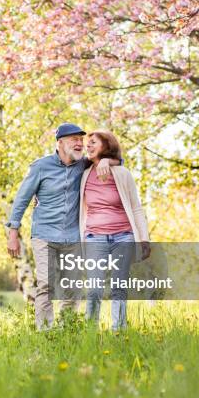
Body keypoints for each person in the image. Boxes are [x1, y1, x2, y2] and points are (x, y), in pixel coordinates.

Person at [6, 123, 122, 331]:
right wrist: (13, 233)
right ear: (60, 143)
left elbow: (118, 161)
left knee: (73, 290)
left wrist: (105, 160)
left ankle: (66, 331)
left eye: (81, 140)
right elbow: (21, 200)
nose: (80, 144)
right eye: (74, 140)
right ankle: (46, 334)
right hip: (44, 235)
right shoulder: (40, 166)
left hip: (73, 236)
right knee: (46, 286)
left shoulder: (84, 165)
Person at [79, 129, 150, 331]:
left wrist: (144, 239)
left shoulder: (122, 174)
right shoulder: (83, 173)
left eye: (93, 142)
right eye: (87, 143)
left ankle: (119, 330)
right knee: (95, 288)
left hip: (123, 236)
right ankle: (90, 331)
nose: (88, 146)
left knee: (119, 286)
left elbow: (136, 207)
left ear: (106, 145)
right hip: (94, 237)